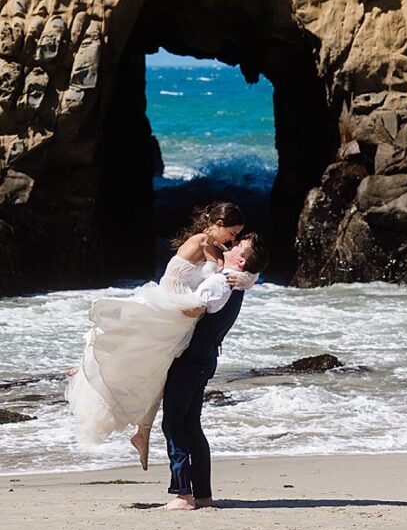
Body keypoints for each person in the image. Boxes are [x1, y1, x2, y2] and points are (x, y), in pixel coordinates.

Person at [65, 203, 254, 470]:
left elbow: (235, 270)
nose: (233, 240)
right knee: (130, 349)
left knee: (156, 376)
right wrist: (232, 278)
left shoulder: (216, 247)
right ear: (218, 224)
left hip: (181, 318)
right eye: (232, 233)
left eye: (237, 236)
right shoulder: (199, 242)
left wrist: (247, 279)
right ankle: (86, 369)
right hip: (168, 308)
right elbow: (216, 276)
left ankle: (142, 434)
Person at [157, 230, 269, 511]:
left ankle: (183, 495)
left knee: (173, 424)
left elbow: (189, 310)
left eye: (238, 245)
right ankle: (203, 494)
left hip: (190, 361)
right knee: (191, 424)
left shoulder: (221, 282)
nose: (232, 245)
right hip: (206, 359)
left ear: (241, 262)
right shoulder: (238, 284)